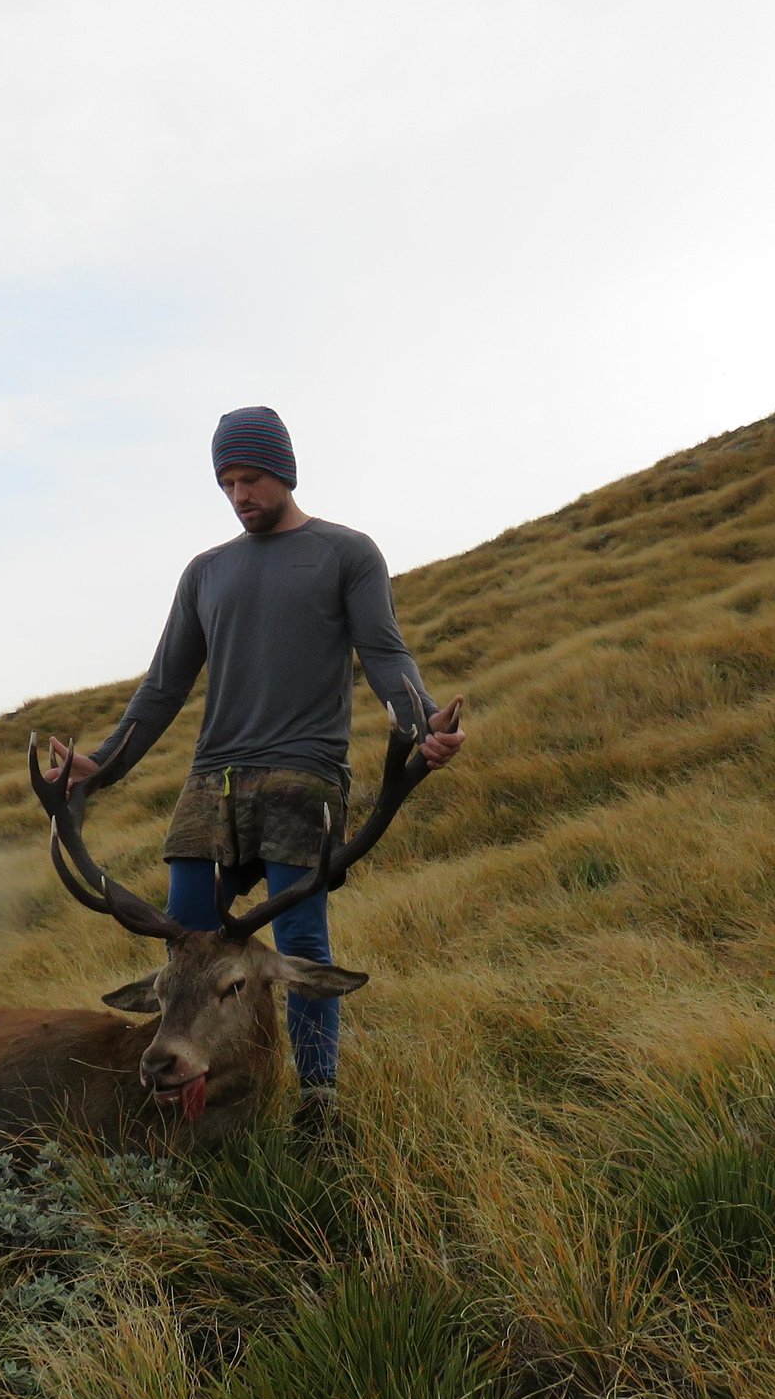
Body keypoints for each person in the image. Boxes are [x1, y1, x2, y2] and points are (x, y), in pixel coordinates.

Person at [45, 406, 465, 1141]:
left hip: (303, 777)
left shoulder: (347, 553)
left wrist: (419, 721)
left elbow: (386, 654)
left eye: (252, 477)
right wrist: (101, 763)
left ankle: (318, 1102)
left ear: (286, 471)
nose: (239, 494)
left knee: (299, 948)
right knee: (190, 946)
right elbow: (163, 687)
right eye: (227, 481)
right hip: (212, 785)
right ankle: (209, 1097)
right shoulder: (206, 572)